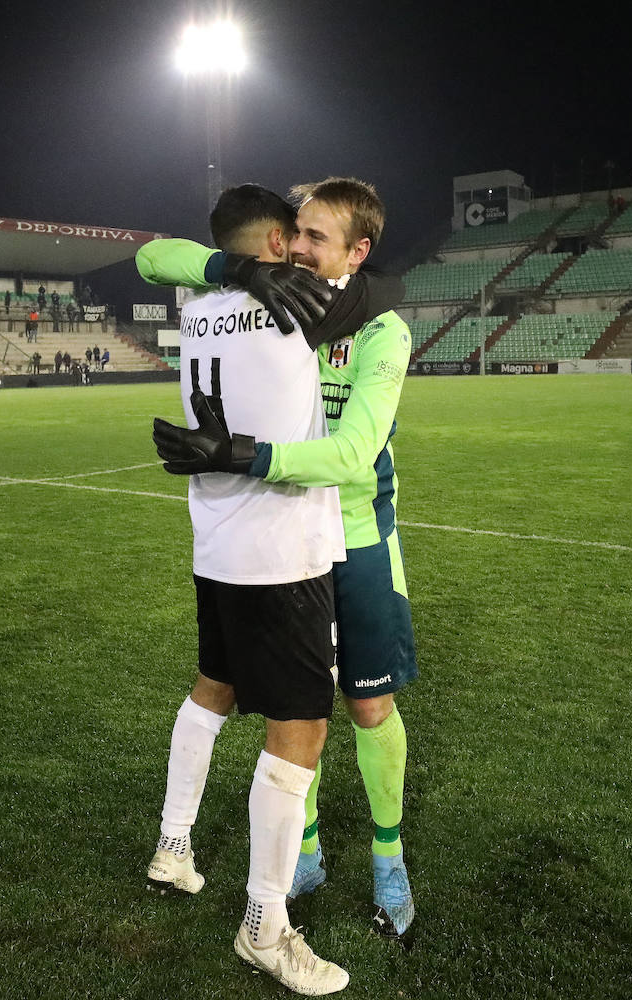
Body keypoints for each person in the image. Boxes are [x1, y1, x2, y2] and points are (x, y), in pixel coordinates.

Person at [146, 177, 418, 943]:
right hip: (293, 541)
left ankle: (388, 857)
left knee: (365, 706)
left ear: (357, 254)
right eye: (294, 233)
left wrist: (244, 455)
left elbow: (356, 453)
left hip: (357, 535)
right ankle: (304, 852)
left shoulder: (379, 329)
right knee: (301, 710)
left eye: (316, 238)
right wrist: (237, 269)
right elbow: (155, 257)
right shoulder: (271, 297)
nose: (296, 247)